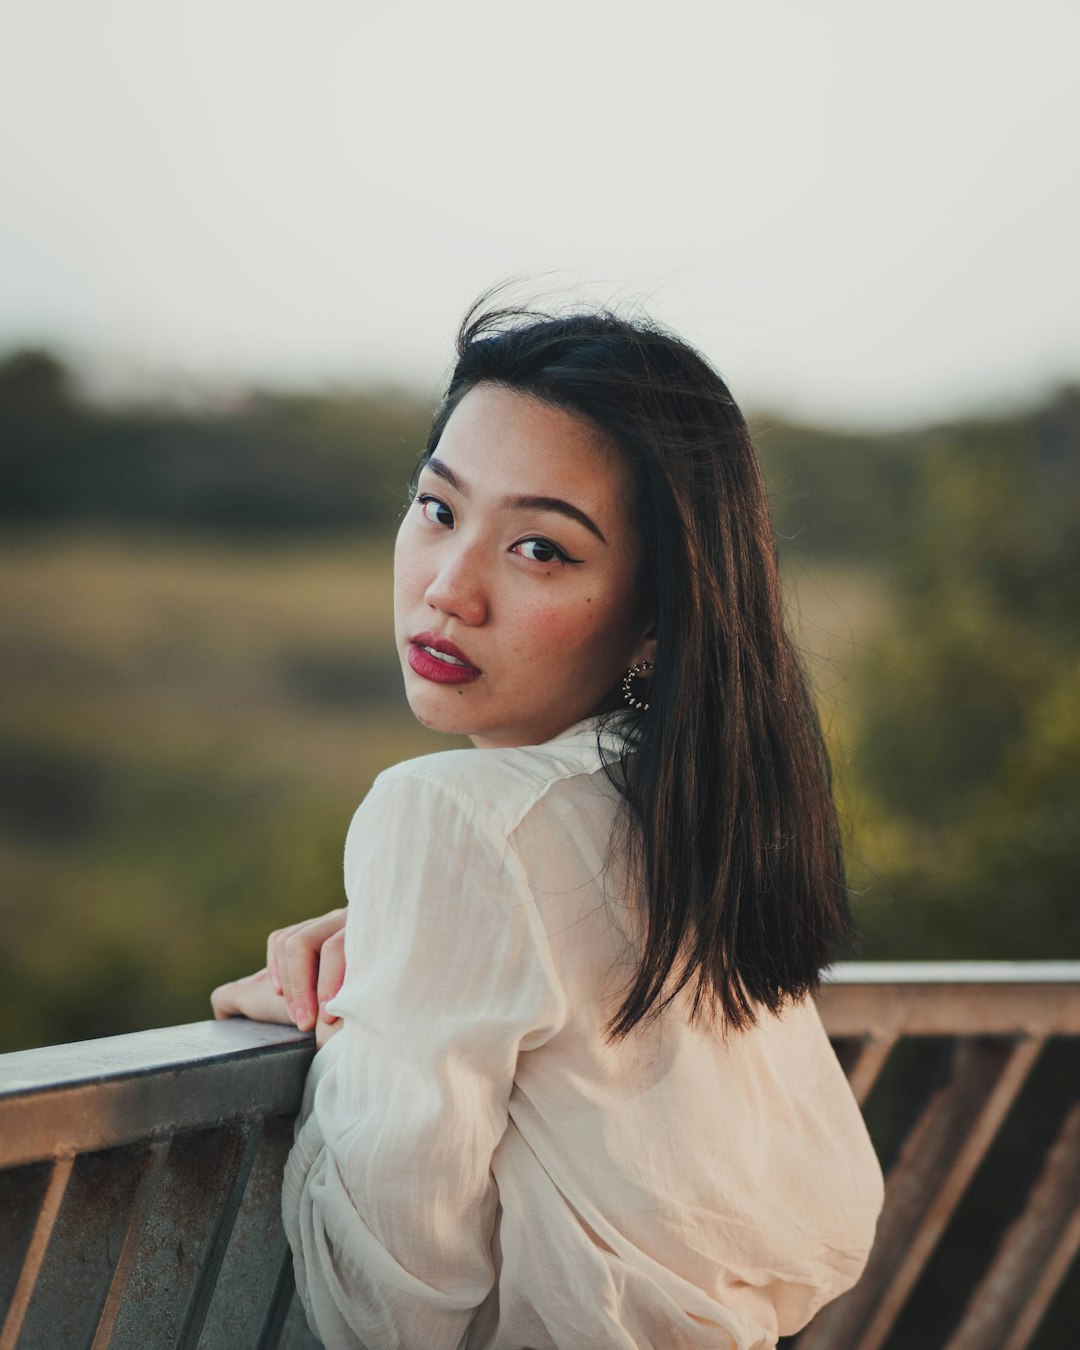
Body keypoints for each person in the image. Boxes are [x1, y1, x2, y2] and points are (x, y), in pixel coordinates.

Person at [210, 299, 885, 1349]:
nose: (449, 588)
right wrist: (401, 944)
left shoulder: (451, 816)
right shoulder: (687, 823)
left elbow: (385, 1310)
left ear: (659, 618)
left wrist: (347, 1025)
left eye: (538, 548)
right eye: (437, 509)